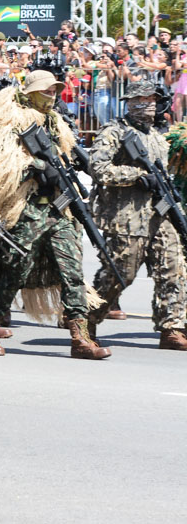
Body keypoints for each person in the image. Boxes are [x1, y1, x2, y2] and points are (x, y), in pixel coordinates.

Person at [0, 71, 110, 360]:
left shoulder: (58, 125)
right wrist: (34, 165)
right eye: (46, 90)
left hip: (58, 208)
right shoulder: (13, 124)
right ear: (31, 92)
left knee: (72, 273)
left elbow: (66, 160)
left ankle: (80, 337)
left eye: (55, 90)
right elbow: (0, 165)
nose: (52, 94)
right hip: (28, 208)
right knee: (14, 271)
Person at [87, 80, 187, 350]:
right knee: (120, 274)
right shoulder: (114, 132)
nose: (149, 106)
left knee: (173, 269)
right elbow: (97, 168)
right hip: (126, 217)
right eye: (142, 100)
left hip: (160, 215)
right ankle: (86, 319)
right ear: (129, 103)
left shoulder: (157, 135)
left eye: (153, 100)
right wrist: (136, 176)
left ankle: (172, 327)